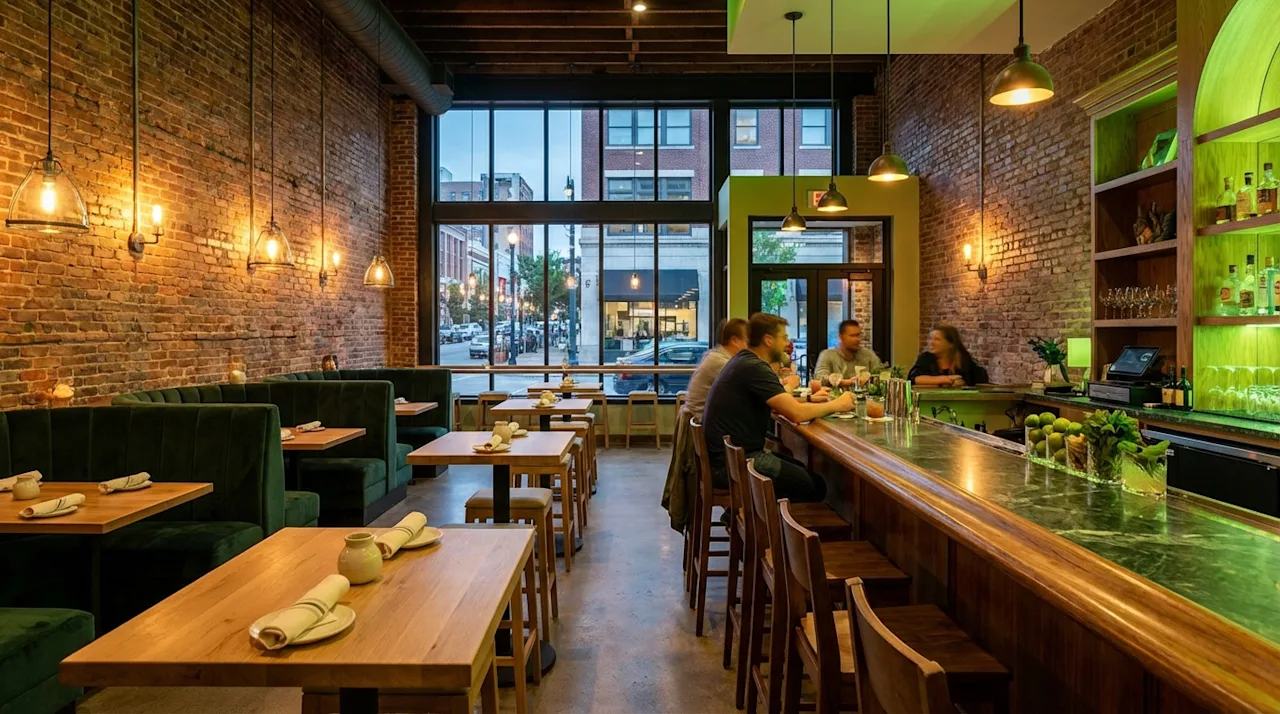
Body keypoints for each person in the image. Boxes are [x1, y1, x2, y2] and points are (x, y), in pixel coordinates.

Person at [702, 313, 855, 502]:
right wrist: (838, 404)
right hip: (737, 463)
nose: (787, 343)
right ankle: (767, 525)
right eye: (783, 337)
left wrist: (810, 400)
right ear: (768, 340)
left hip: (729, 458)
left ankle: (755, 518)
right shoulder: (755, 367)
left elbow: (779, 403)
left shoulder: (743, 360)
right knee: (815, 486)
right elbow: (796, 414)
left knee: (799, 468)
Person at [662, 318, 748, 532]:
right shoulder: (724, 363)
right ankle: (746, 524)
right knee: (761, 468)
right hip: (709, 453)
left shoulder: (716, 356)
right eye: (748, 340)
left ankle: (737, 517)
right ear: (736, 341)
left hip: (702, 443)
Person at [684, 318, 748, 419]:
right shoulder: (722, 362)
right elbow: (748, 390)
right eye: (747, 341)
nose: (750, 347)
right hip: (705, 423)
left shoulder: (718, 355)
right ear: (735, 341)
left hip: (704, 419)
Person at [809, 320, 883, 390]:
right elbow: (819, 378)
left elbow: (880, 375)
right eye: (852, 336)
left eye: (858, 335)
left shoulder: (869, 355)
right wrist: (844, 382)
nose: (857, 339)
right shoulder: (827, 355)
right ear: (841, 337)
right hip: (834, 401)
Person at [908, 323, 989, 387]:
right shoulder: (926, 358)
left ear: (950, 344)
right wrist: (947, 379)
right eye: (931, 339)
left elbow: (980, 381)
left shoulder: (964, 360)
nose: (931, 343)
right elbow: (913, 379)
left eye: (937, 339)